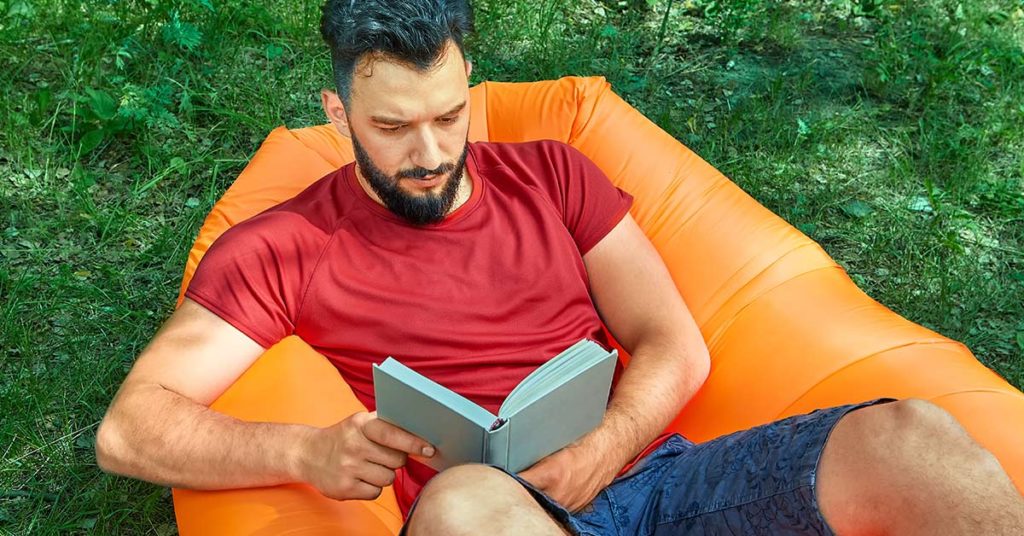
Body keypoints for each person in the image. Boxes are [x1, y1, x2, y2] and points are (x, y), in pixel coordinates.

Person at [96, 0, 1024, 534]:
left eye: (450, 116)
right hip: (493, 518)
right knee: (463, 504)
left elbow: (673, 343)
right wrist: (303, 449)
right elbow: (130, 431)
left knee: (913, 436)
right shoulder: (282, 246)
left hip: (655, 480)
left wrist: (607, 448)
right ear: (338, 118)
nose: (430, 152)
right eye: (391, 127)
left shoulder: (552, 173)